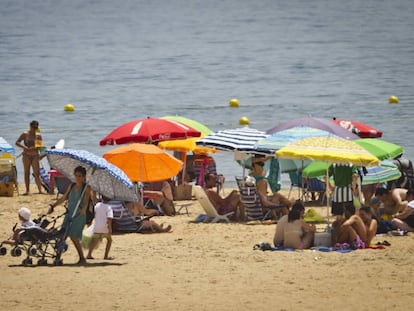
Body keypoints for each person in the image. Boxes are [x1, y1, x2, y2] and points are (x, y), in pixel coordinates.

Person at [47, 166, 91, 264]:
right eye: (76, 175)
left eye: (80, 176)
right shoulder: (71, 186)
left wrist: (84, 209)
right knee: (62, 235)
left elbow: (86, 201)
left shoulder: (86, 188)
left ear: (84, 177)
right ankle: (58, 257)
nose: (78, 178)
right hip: (69, 213)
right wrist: (54, 205)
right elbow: (64, 198)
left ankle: (82, 258)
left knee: (73, 236)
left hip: (79, 215)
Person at [15, 120, 44, 195]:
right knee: (26, 172)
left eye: (36, 127)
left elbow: (39, 146)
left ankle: (40, 190)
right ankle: (27, 190)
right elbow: (17, 142)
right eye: (33, 127)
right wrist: (24, 147)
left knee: (37, 173)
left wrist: (33, 149)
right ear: (30, 126)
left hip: (35, 155)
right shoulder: (25, 134)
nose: (34, 129)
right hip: (26, 155)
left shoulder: (38, 136)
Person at [86, 196, 114, 260]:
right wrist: (110, 228)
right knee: (109, 240)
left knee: (94, 240)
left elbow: (95, 214)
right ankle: (106, 256)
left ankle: (89, 254)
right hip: (104, 227)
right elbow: (109, 219)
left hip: (97, 226)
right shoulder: (109, 208)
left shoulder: (97, 205)